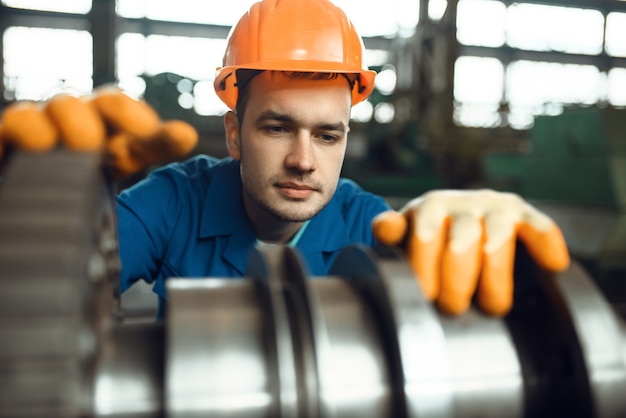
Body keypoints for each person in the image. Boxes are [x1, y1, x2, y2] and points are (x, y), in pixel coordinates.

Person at [115, 0, 570, 319]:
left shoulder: (366, 226)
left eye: (328, 135)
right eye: (278, 128)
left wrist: (490, 251)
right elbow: (57, 285)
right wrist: (60, 194)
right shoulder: (174, 202)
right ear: (234, 134)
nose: (303, 161)